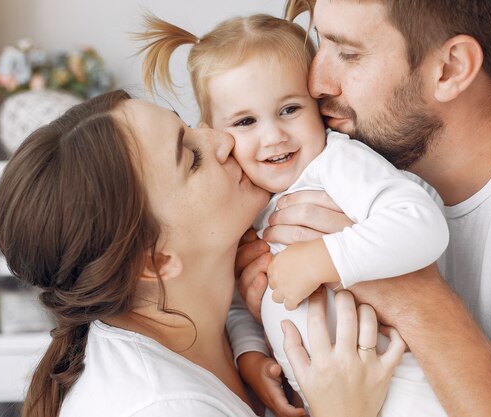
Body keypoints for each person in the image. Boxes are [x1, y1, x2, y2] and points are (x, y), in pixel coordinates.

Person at [236, 0, 491, 416]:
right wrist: (282, 315)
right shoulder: (364, 172)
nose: (316, 82)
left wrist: (413, 296)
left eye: (349, 53)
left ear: (451, 68)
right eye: (320, 41)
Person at [0, 90, 406, 417]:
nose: (225, 139)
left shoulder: (233, 318)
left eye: (191, 125)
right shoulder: (161, 408)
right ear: (153, 262)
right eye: (191, 158)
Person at [137, 8, 450, 416]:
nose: (273, 135)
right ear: (214, 133)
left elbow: (423, 225)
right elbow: (232, 301)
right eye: (246, 120)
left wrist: (324, 258)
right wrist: (248, 352)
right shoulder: (241, 204)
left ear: (316, 103)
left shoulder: (336, 164)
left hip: (403, 390)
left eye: (289, 109)